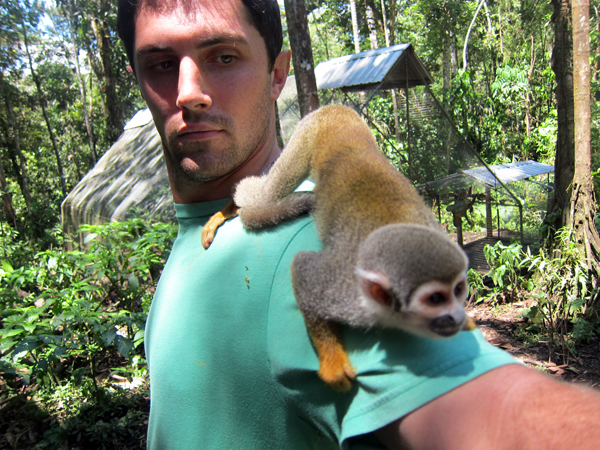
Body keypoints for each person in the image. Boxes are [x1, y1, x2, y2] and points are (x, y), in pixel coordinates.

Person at [117, 0, 600, 448]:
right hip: (329, 156)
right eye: (160, 63)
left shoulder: (311, 254)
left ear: (276, 74)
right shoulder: (198, 238)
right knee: (258, 200)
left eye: (223, 57)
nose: (189, 93)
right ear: (136, 77)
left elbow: (500, 412)